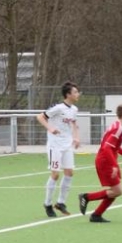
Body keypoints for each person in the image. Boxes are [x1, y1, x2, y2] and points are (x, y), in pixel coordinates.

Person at [78, 104, 122, 223]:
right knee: (117, 191)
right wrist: (113, 165)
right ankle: (87, 197)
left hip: (107, 160)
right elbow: (106, 148)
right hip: (105, 161)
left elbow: (114, 147)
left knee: (115, 190)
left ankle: (96, 215)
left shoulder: (117, 126)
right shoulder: (118, 128)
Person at [36, 81, 81, 217]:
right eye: (75, 92)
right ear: (68, 94)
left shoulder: (74, 109)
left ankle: (61, 202)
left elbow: (74, 124)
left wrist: (76, 137)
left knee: (69, 173)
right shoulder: (58, 108)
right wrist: (50, 128)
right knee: (55, 174)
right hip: (55, 145)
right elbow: (40, 117)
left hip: (67, 145)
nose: (78, 94)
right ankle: (48, 203)